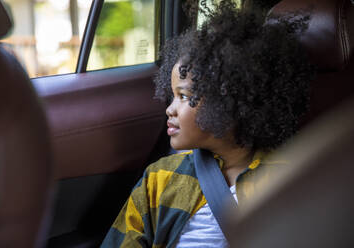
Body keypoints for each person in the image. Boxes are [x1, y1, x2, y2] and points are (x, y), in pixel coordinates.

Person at [100, 1, 315, 247]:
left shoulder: (288, 179)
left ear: (230, 100)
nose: (170, 109)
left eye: (184, 96)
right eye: (171, 96)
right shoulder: (159, 178)